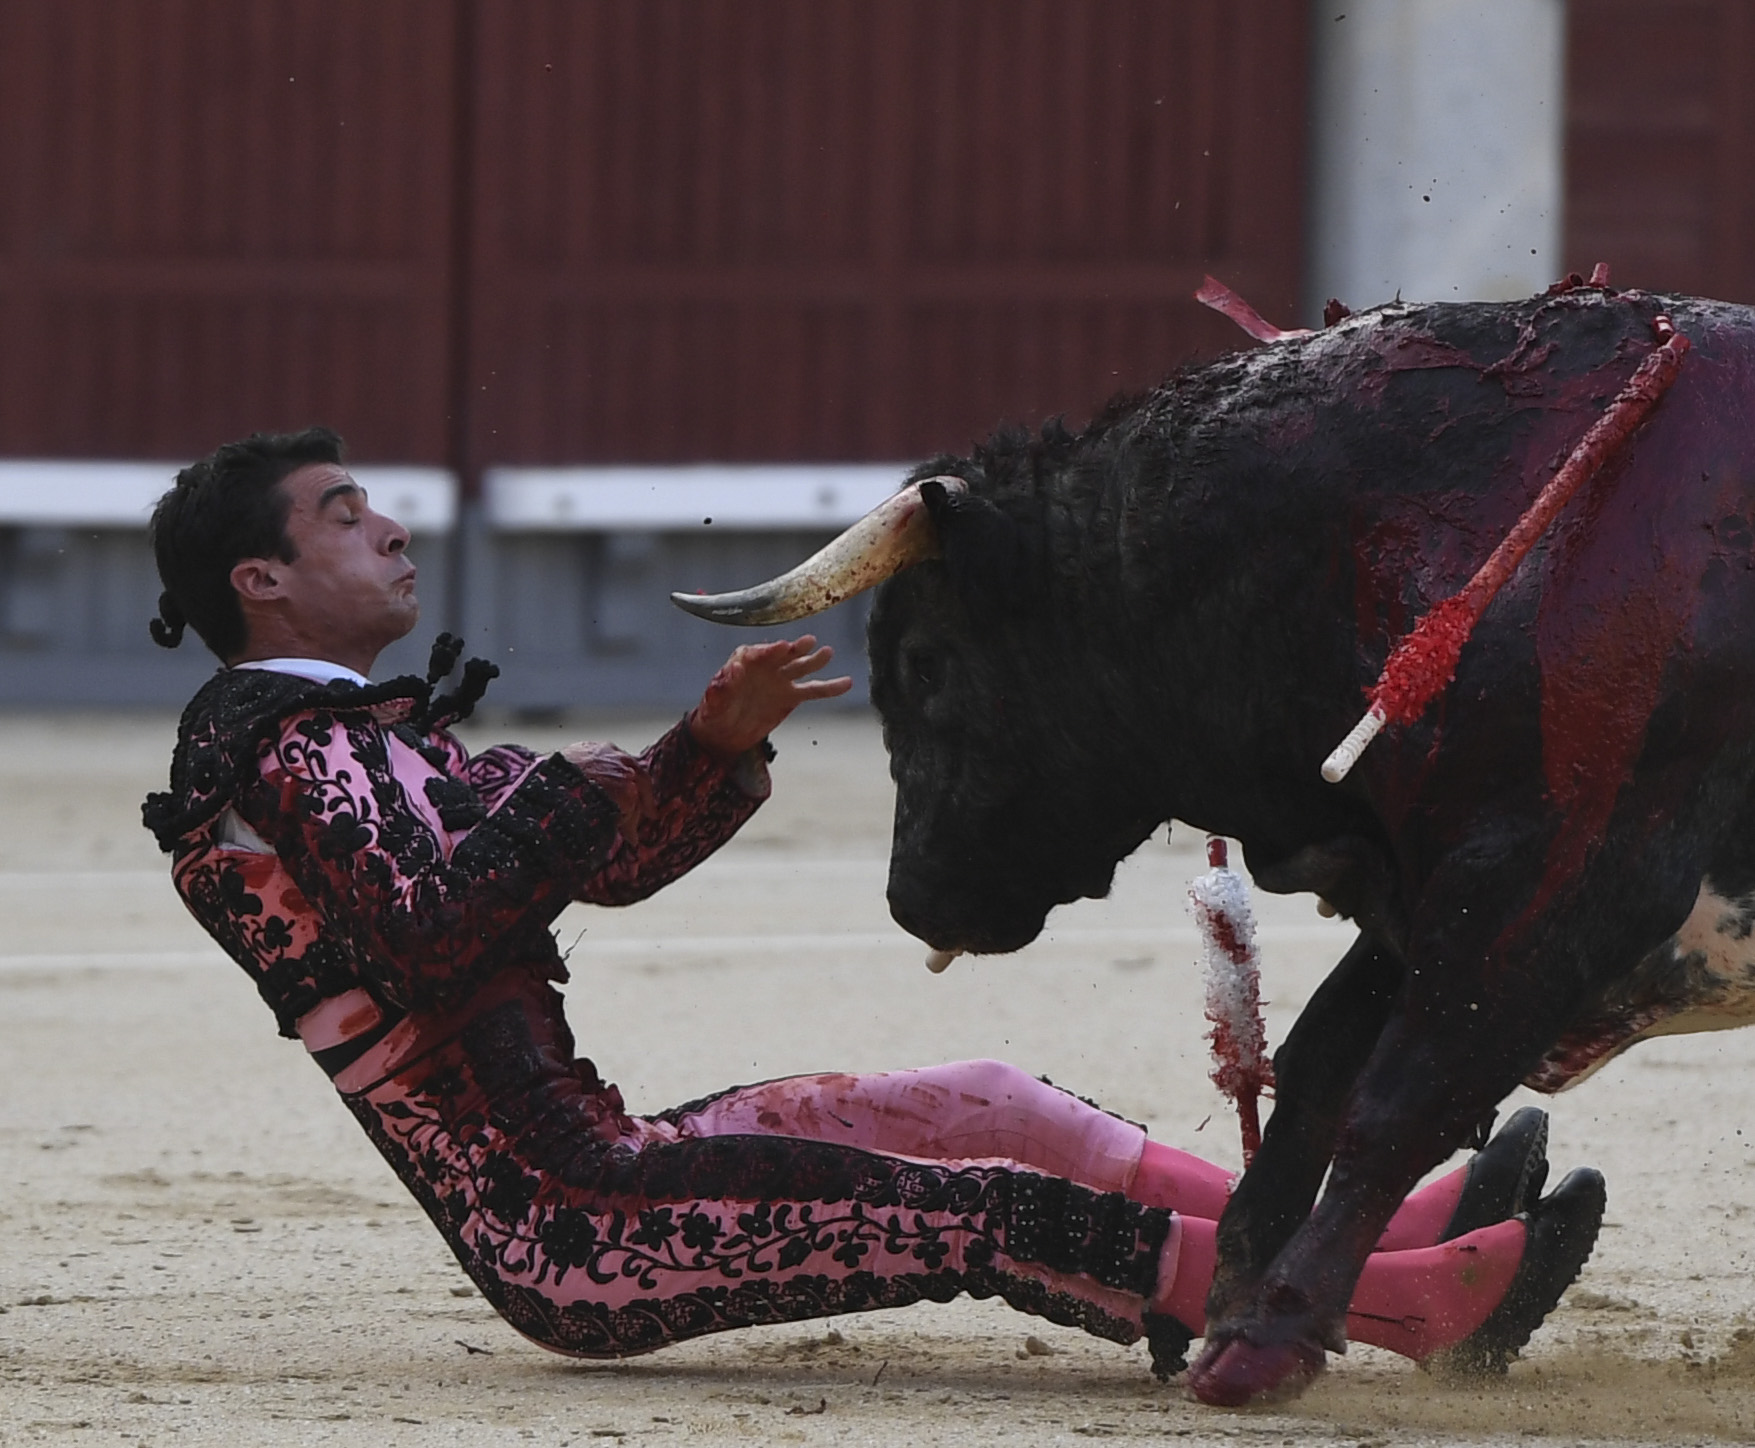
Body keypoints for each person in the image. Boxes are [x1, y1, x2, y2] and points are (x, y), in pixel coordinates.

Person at [140, 427, 1604, 1384]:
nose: (394, 529)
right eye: (348, 517)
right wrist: (584, 789)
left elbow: (599, 868)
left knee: (987, 1104)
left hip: (603, 1163)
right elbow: (428, 931)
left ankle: (1347, 1221)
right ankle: (1397, 1303)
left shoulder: (350, 736)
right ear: (262, 579)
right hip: (571, 1226)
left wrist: (702, 749)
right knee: (984, 1215)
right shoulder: (279, 746)